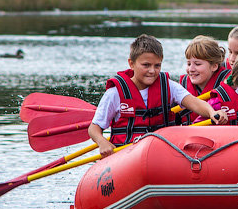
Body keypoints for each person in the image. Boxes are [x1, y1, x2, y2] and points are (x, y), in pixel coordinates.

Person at [89, 34, 228, 157]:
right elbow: (94, 128)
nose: (152, 71)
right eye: (146, 65)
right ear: (131, 63)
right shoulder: (115, 94)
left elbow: (195, 103)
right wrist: (102, 142)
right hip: (125, 156)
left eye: (157, 66)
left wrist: (212, 112)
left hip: (161, 154)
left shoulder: (169, 86)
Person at [176, 35, 230, 124]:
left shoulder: (228, 84)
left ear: (214, 66)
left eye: (197, 64)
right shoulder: (182, 85)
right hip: (188, 135)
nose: (191, 69)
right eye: (189, 64)